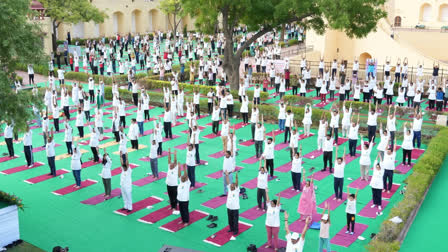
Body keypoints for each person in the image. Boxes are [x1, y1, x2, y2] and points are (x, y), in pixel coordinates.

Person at [225, 171, 240, 237]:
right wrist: (227, 175)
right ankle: (231, 228)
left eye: (232, 185)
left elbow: (236, 183)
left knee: (235, 220)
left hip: (235, 208)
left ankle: (236, 230)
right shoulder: (229, 189)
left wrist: (236, 177)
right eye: (231, 185)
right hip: (229, 207)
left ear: (234, 186)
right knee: (230, 219)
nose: (231, 185)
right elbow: (228, 181)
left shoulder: (236, 190)